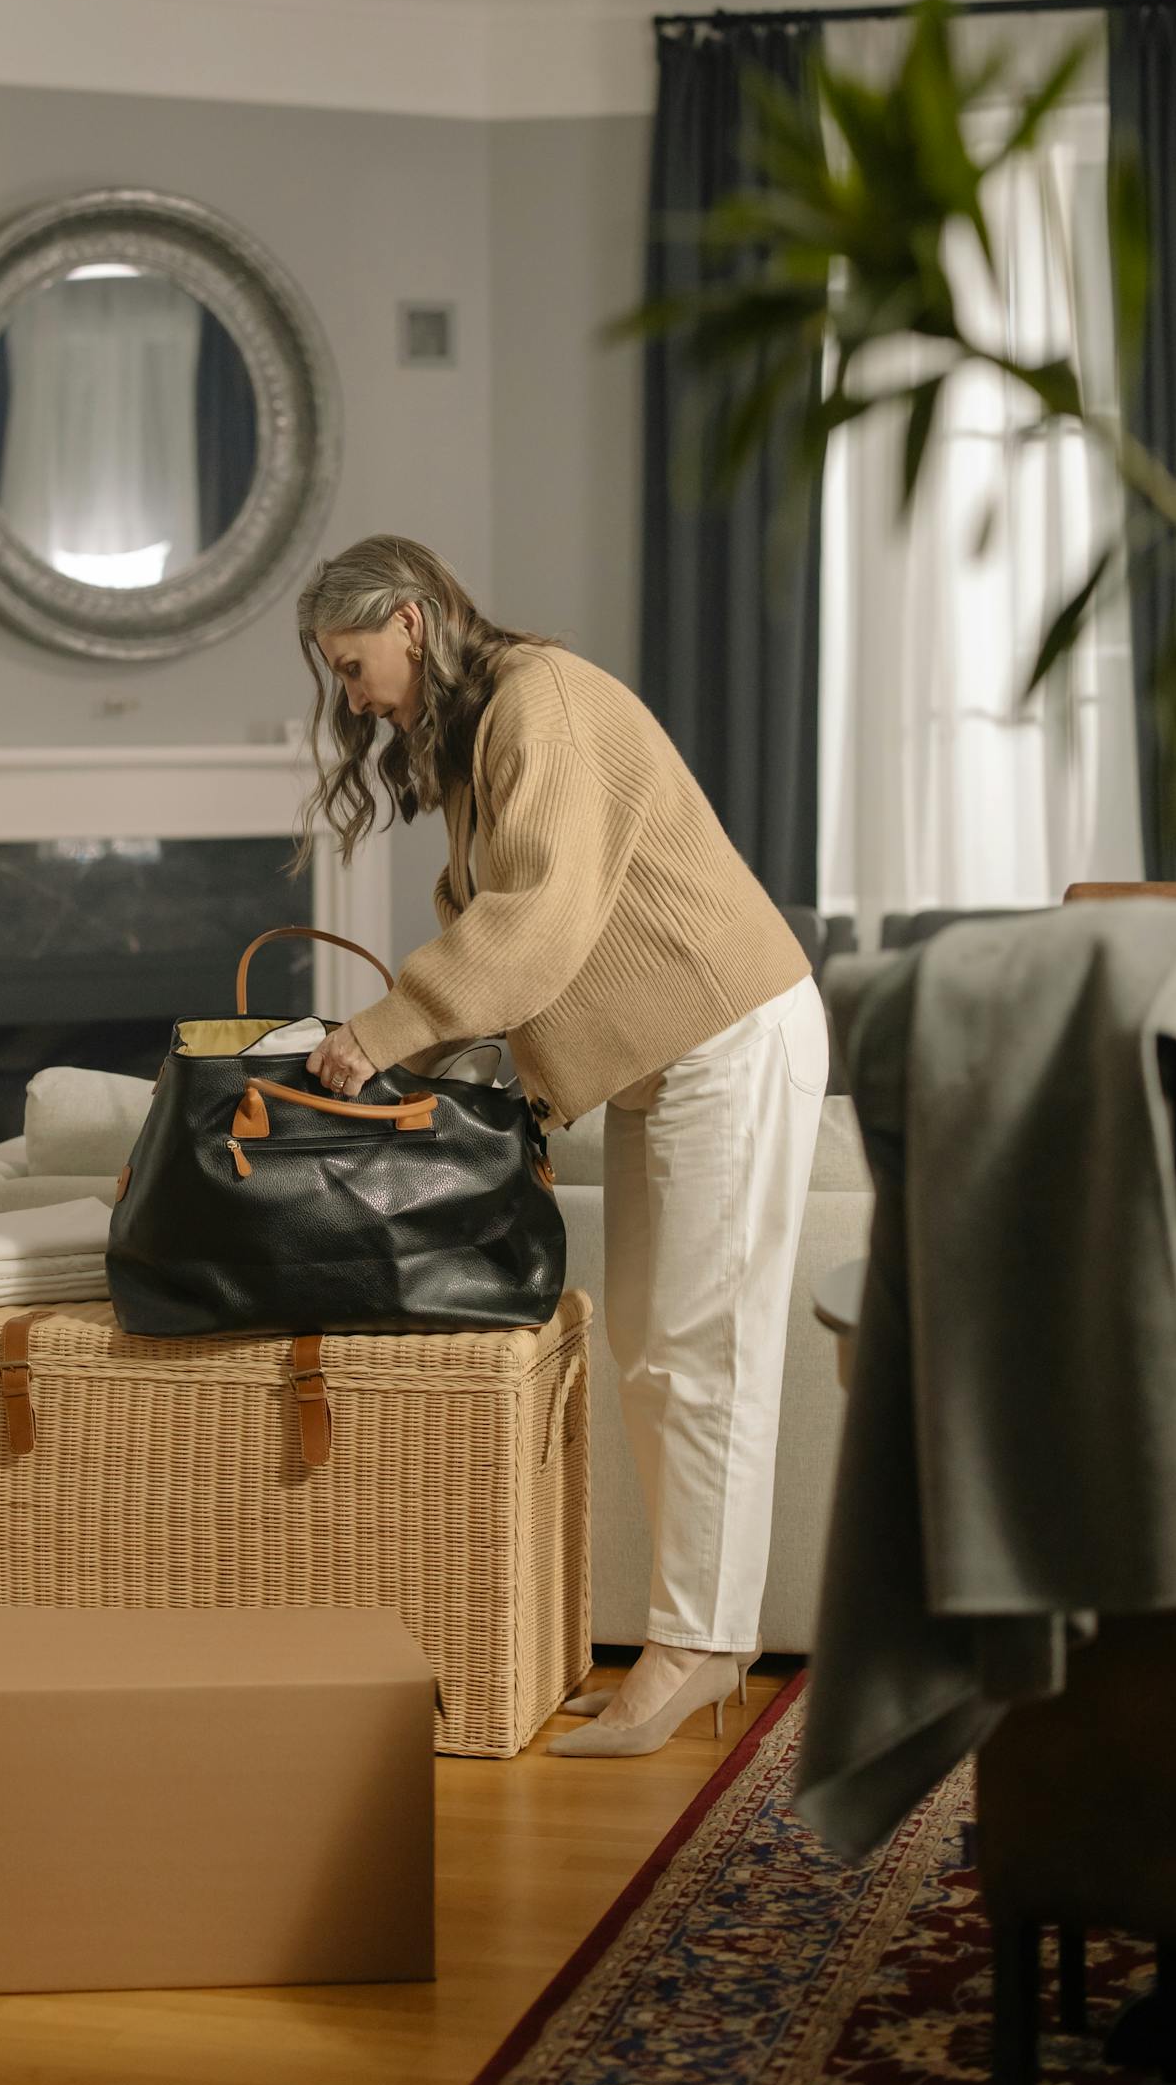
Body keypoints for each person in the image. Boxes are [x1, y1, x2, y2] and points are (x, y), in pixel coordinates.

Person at [294, 535, 828, 1757]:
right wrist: (376, 1055)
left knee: (707, 1355)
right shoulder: (486, 736)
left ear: (414, 621)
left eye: (356, 661)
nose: (353, 694)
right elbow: (500, 941)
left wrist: (382, 1028)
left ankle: (694, 1649)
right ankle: (699, 1643)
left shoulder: (542, 702)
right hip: (669, 1059)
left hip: (729, 1034)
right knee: (651, 1348)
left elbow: (535, 922)